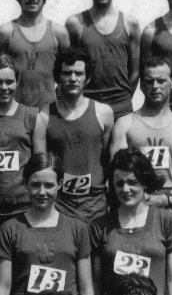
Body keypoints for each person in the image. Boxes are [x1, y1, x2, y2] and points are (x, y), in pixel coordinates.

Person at [0, 153, 94, 295]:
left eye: (49, 185)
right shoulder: (11, 228)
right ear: (26, 184)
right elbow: (2, 289)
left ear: (59, 185)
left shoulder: (77, 228)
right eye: (35, 185)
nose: (42, 192)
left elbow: (86, 287)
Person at [90, 149, 172, 295]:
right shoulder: (100, 226)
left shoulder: (167, 221)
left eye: (132, 182)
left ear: (144, 182)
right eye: (119, 183)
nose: (125, 189)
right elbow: (95, 286)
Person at [110, 56, 172, 222]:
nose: (155, 86)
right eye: (149, 81)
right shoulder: (125, 124)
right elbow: (118, 174)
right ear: (141, 84)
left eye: (161, 80)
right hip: (135, 210)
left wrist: (165, 198)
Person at [35, 47, 114, 223]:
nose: (72, 78)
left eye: (79, 73)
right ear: (57, 77)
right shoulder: (44, 115)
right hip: (59, 202)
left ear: (88, 78)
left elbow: (109, 161)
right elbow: (39, 165)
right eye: (67, 73)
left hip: (95, 203)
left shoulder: (104, 113)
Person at [0, 55, 48, 225]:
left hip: (23, 206)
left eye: (9, 82)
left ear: (17, 81)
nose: (4, 87)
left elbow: (40, 166)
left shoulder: (34, 117)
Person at [65, 0, 140, 121]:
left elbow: (135, 71)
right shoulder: (76, 23)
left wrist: (123, 98)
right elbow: (67, 68)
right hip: (87, 107)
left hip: (122, 109)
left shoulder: (130, 23)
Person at [0, 0, 70, 108]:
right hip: (14, 112)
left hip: (49, 112)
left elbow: (68, 75)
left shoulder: (59, 33)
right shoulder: (6, 32)